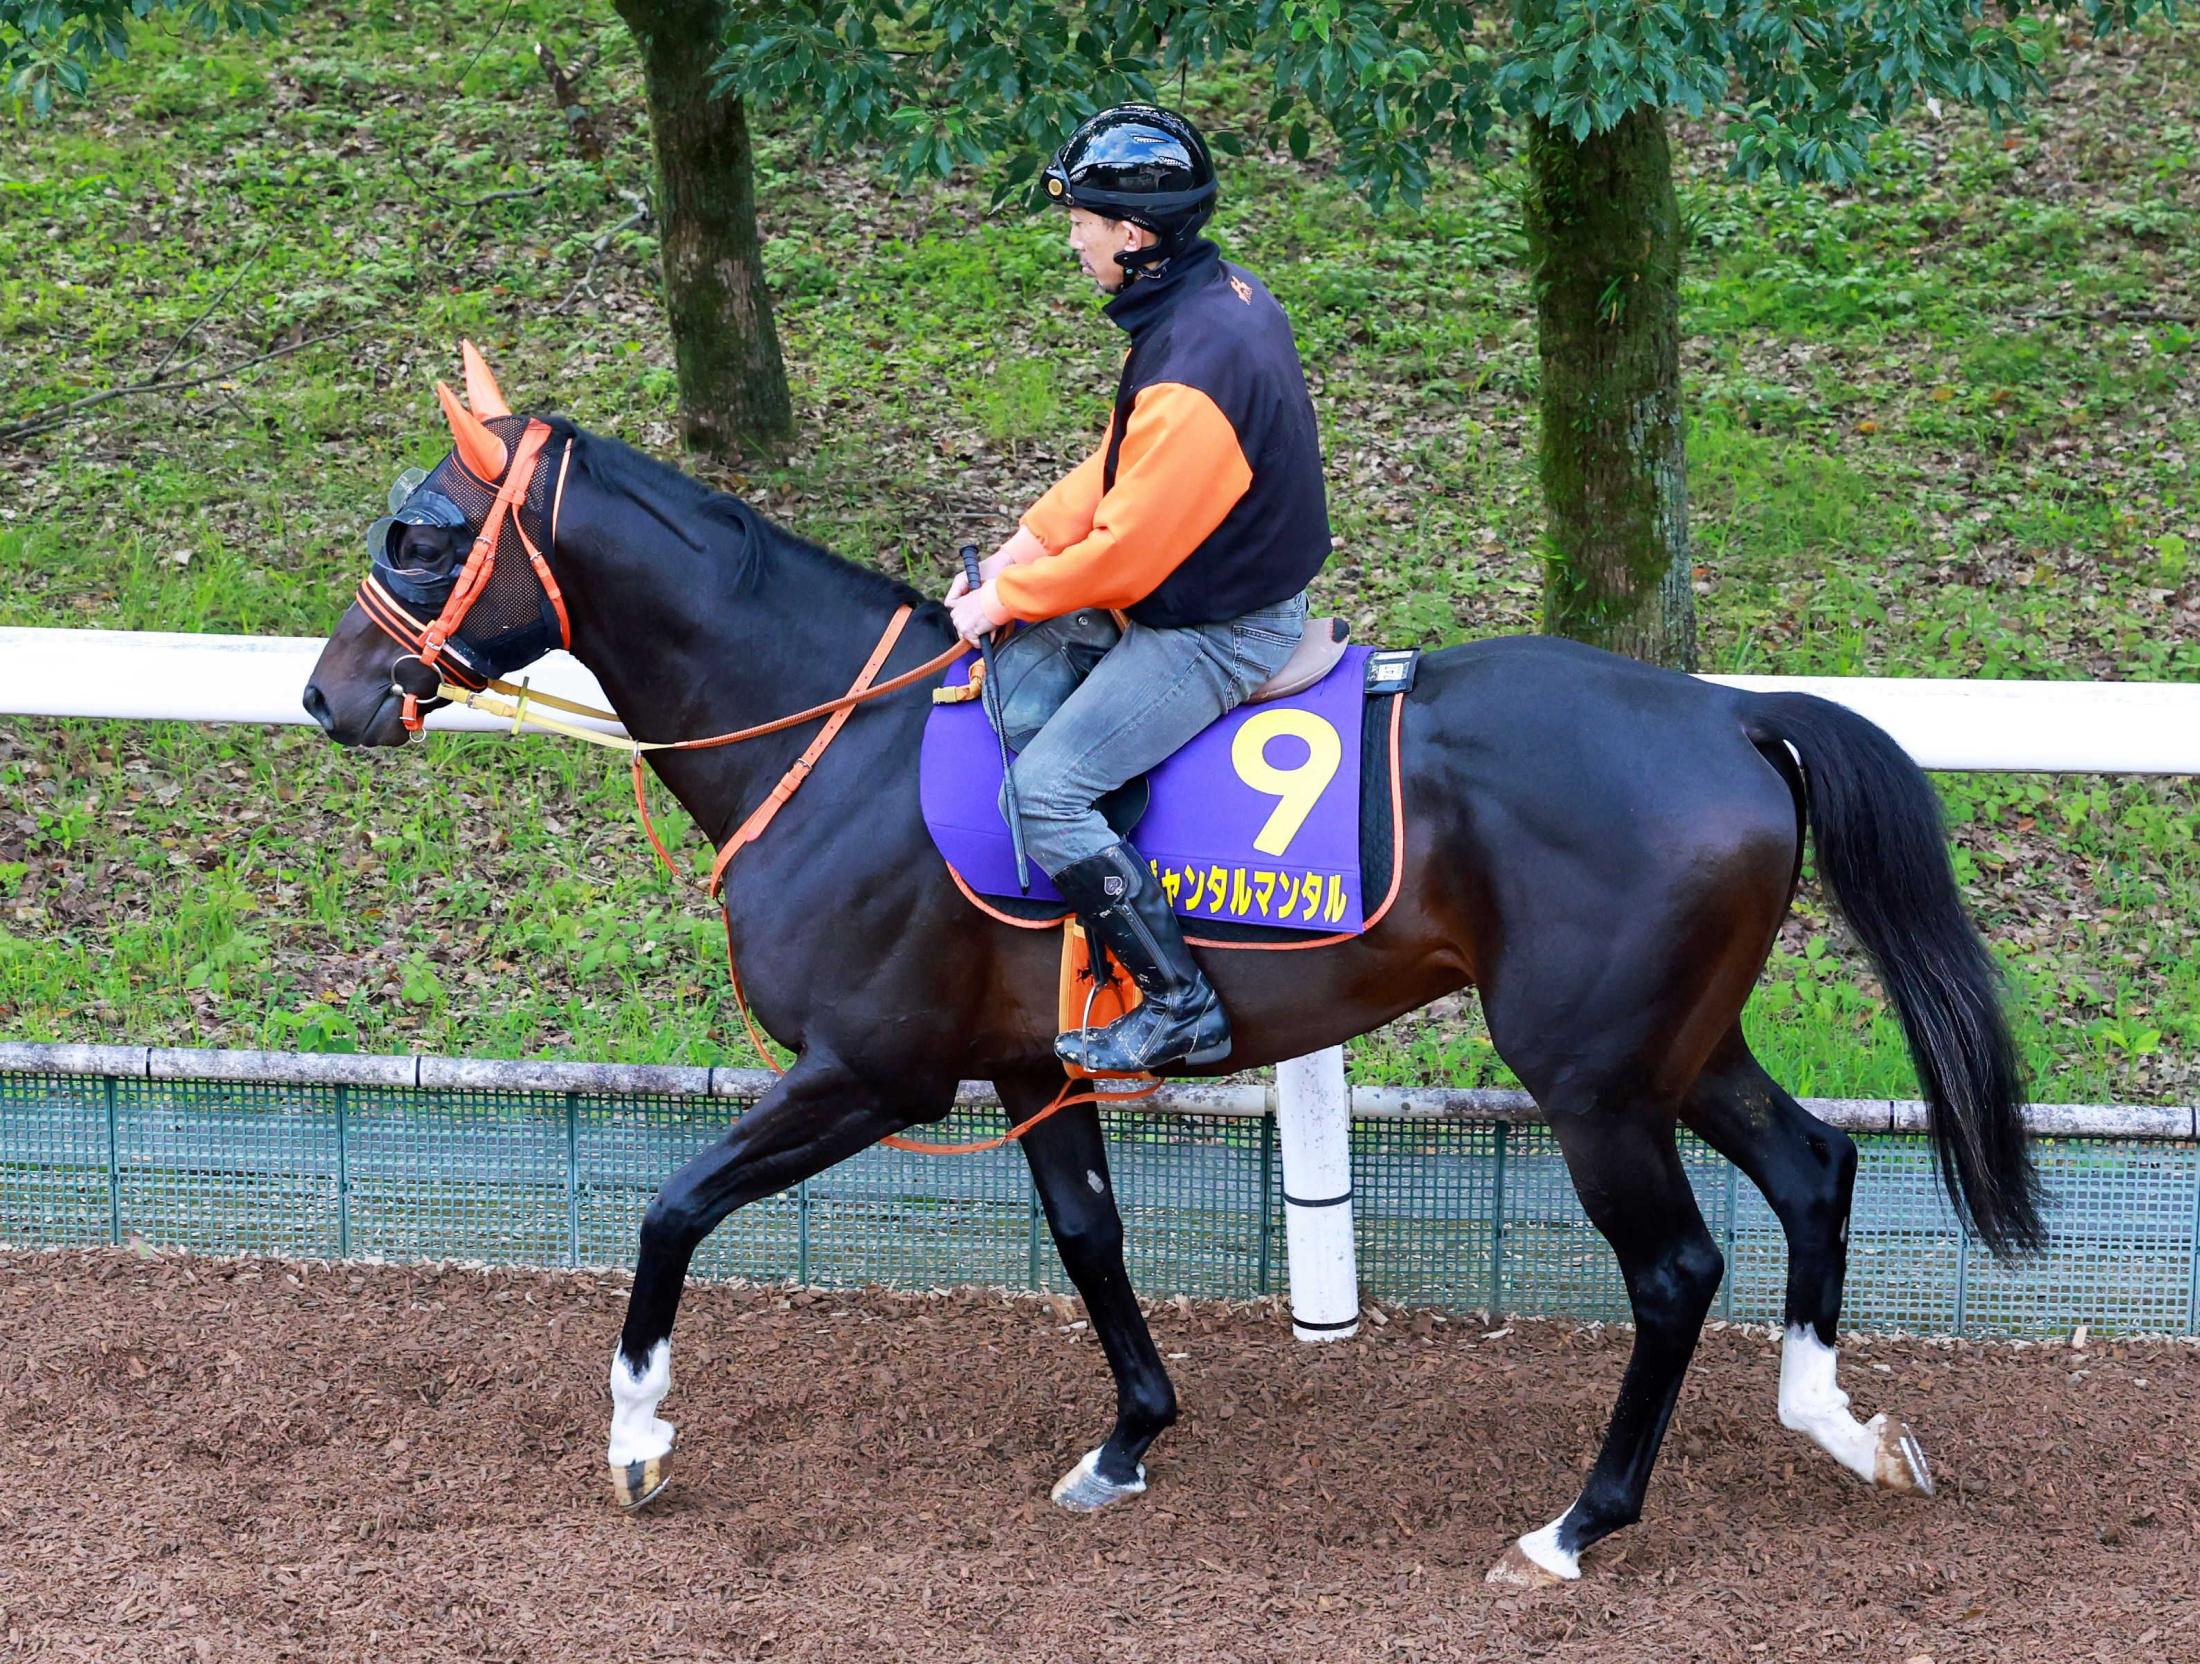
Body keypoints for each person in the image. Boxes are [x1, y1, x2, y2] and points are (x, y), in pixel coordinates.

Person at [942, 104, 1334, 1073]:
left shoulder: (1196, 363)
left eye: (1080, 223)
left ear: (1131, 233)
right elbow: (1126, 464)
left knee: (1045, 791)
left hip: (1218, 631)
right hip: (1208, 586)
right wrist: (1028, 543)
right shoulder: (1211, 300)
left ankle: (1178, 1005)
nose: (1072, 241)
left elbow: (1126, 557)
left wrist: (1004, 599)